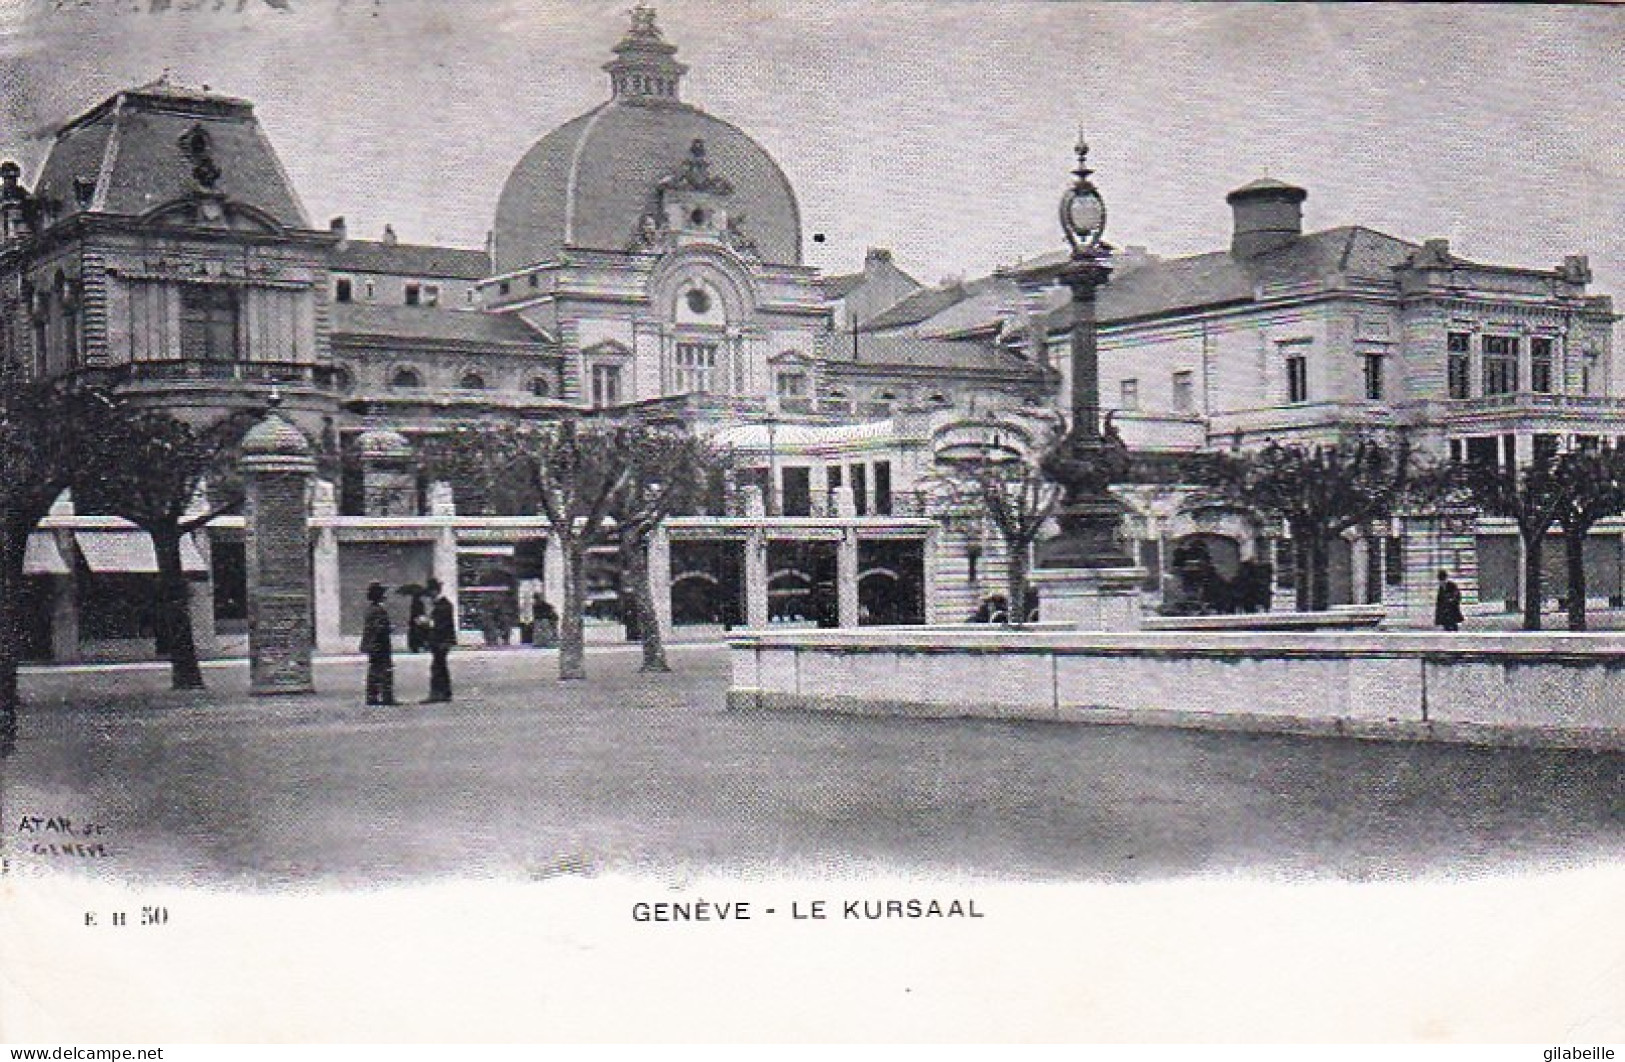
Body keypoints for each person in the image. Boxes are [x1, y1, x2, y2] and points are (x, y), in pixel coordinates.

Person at [419, 578, 457, 702]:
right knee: (440, 666)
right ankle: (445, 692)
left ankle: (437, 693)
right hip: (441, 641)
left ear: (435, 591)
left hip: (441, 641)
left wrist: (427, 622)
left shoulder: (443, 606)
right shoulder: (442, 605)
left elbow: (440, 625)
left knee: (437, 667)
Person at [360, 582, 396, 706]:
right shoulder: (379, 611)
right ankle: (386, 697)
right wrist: (389, 628)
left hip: (373, 645)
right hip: (380, 646)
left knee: (374, 671)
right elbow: (379, 629)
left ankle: (372, 696)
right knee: (385, 670)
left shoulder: (370, 610)